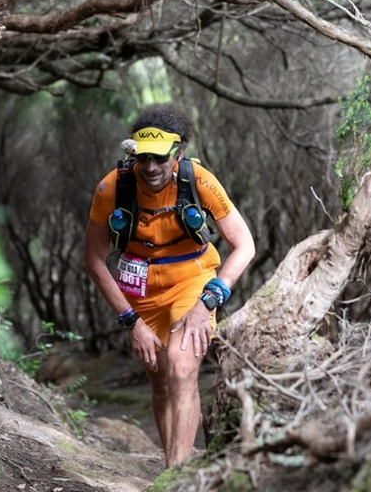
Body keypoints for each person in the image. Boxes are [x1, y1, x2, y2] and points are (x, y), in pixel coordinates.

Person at [84, 103, 255, 467]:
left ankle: (175, 480)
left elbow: (245, 245)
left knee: (180, 367)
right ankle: (171, 469)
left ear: (178, 153)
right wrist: (130, 321)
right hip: (139, 290)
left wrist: (209, 300)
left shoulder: (200, 181)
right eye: (143, 157)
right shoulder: (112, 187)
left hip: (193, 280)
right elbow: (94, 259)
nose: (150, 168)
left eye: (160, 158)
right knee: (160, 380)